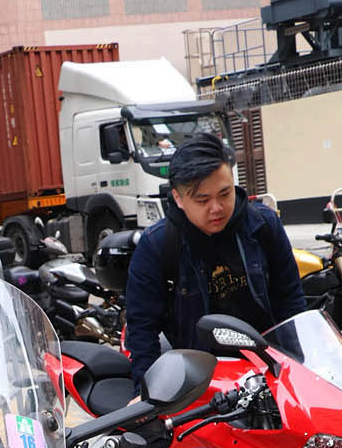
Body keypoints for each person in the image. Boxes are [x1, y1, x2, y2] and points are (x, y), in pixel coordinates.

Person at [124, 133, 306, 391]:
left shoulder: (263, 225)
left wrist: (301, 365)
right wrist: (149, 394)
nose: (217, 208)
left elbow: (291, 300)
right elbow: (142, 329)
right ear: (178, 198)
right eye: (202, 200)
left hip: (269, 366)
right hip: (200, 379)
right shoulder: (157, 245)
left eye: (224, 193)